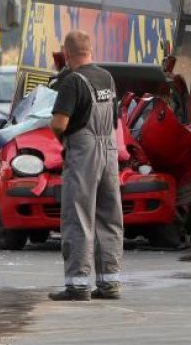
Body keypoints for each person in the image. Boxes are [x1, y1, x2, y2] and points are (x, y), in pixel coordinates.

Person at [48, 30, 124, 302]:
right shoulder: (107, 77)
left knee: (78, 215)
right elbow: (114, 117)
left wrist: (64, 141)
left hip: (84, 150)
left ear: (66, 54)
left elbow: (59, 124)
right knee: (109, 215)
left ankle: (78, 285)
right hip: (109, 148)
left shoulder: (72, 82)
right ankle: (110, 283)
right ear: (91, 50)